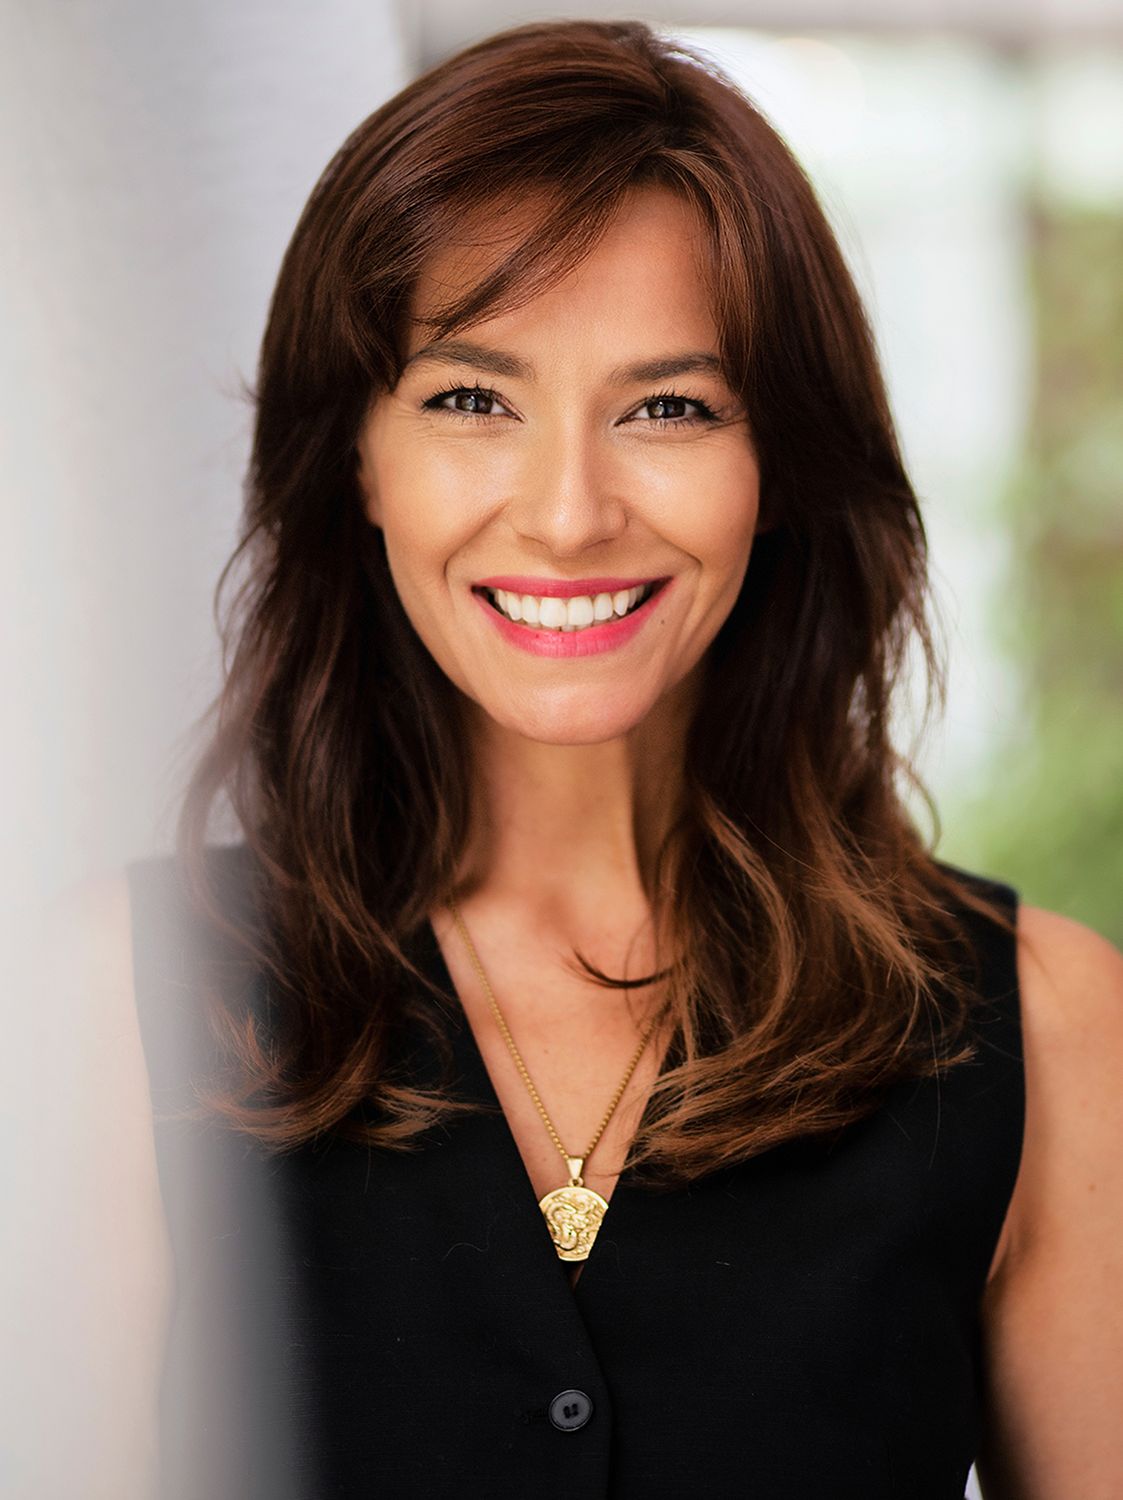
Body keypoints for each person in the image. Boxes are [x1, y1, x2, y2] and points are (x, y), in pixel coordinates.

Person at [37, 17, 1123, 1500]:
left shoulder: (1050, 1030)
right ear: (356, 457)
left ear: (781, 463)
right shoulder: (125, 999)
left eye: (667, 407)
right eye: (472, 399)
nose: (566, 514)